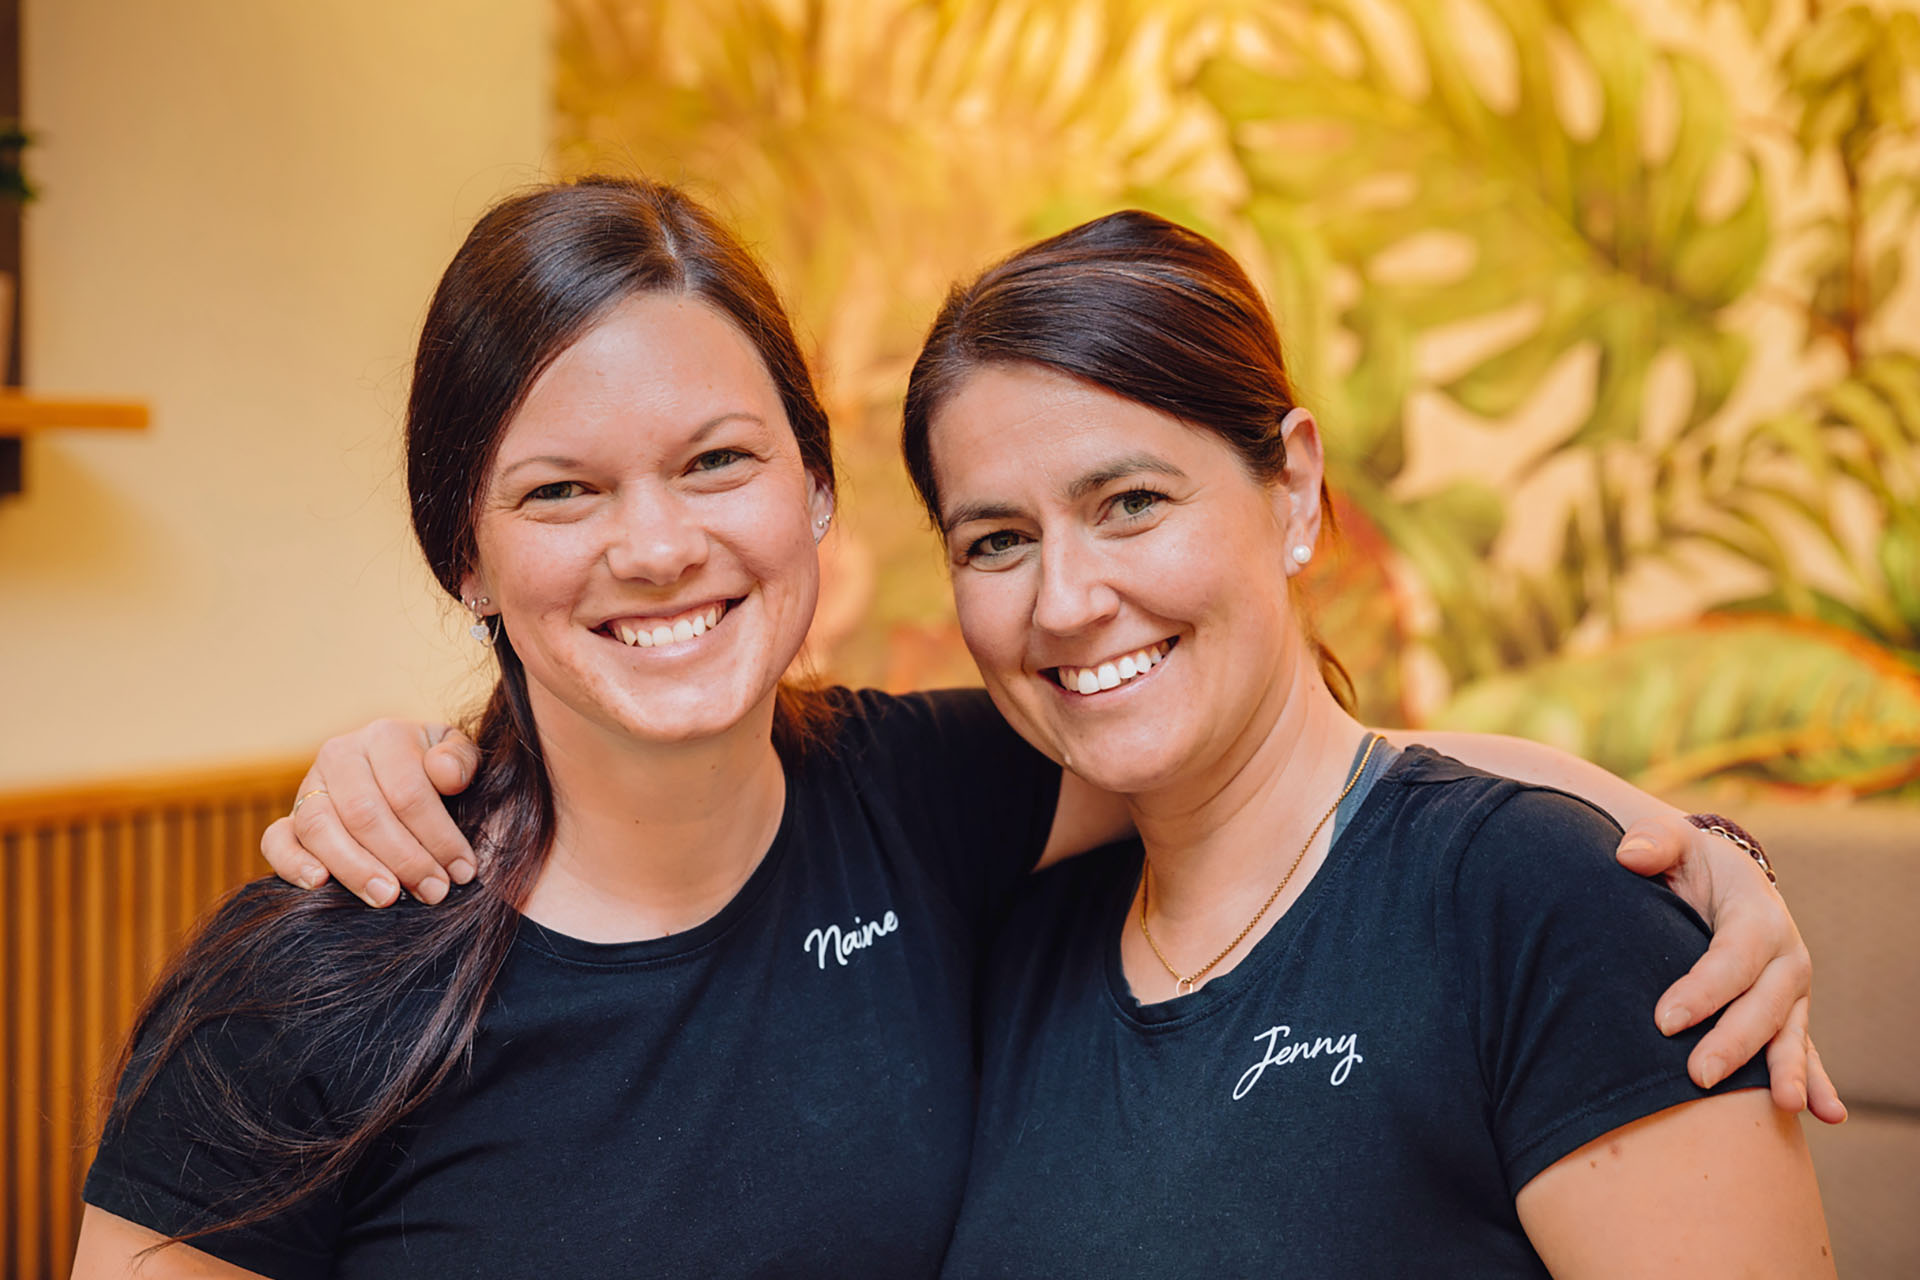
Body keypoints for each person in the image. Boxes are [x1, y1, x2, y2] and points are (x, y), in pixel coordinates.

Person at [74, 178, 1826, 1280]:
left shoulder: (928, 807)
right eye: (560, 491)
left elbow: (1302, 782)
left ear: (816, 500)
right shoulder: (315, 975)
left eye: (717, 463)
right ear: (463, 549)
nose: (658, 544)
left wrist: (1683, 855)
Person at [894, 210, 1833, 1275]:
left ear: (1292, 484)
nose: (1063, 601)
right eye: (998, 540)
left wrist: (1700, 851)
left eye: (1132, 501)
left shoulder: (1553, 907)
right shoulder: (1017, 943)